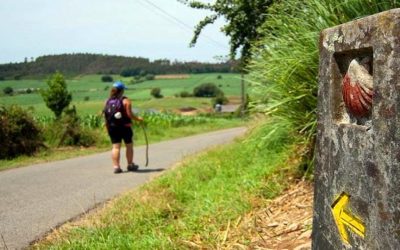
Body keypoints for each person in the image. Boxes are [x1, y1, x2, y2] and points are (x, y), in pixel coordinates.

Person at [104, 81, 143, 174]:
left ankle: (116, 167)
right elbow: (129, 115)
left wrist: (107, 127)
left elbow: (105, 116)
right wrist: (138, 119)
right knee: (129, 146)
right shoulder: (126, 101)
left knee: (116, 147)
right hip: (125, 127)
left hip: (112, 127)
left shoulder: (107, 101)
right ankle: (130, 165)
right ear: (122, 91)